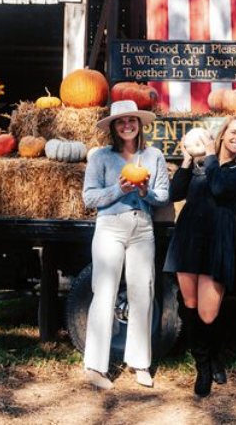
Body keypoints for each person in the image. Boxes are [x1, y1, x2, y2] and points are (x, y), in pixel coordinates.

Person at [164, 115, 236, 396]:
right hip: (189, 238)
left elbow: (218, 188)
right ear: (223, 133)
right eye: (234, 132)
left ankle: (215, 353)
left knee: (208, 312)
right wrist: (188, 160)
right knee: (190, 306)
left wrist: (211, 156)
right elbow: (174, 193)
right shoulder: (203, 163)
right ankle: (203, 366)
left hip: (217, 241)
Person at [82, 99, 169, 390]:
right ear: (114, 128)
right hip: (110, 227)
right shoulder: (101, 158)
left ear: (139, 124)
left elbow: (163, 197)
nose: (127, 125)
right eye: (121, 122)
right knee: (104, 292)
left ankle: (140, 363)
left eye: (131, 120)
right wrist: (118, 189)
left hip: (142, 228)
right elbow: (90, 198)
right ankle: (95, 366)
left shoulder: (154, 156)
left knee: (143, 292)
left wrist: (144, 191)